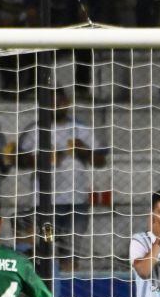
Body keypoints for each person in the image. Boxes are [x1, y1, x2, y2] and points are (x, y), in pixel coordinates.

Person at [16, 88, 108, 271]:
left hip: (76, 202)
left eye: (60, 102)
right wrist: (43, 157)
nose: (56, 106)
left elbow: (101, 161)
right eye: (52, 103)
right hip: (46, 204)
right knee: (48, 246)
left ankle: (68, 285)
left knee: (71, 251)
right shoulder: (35, 129)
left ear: (67, 103)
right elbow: (19, 160)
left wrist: (85, 151)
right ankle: (49, 283)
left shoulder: (81, 128)